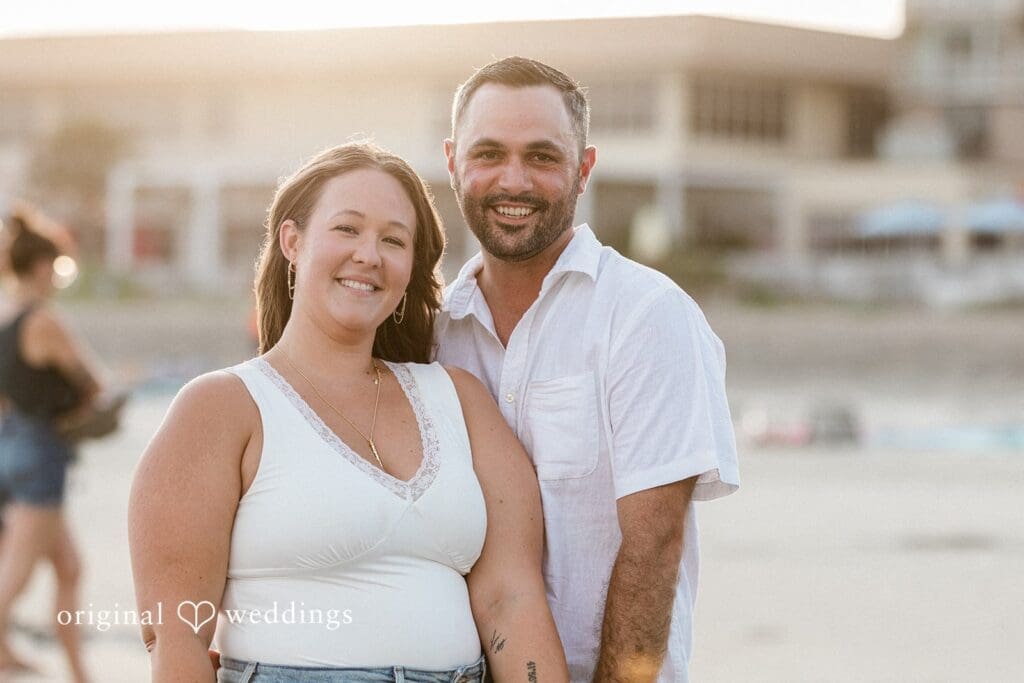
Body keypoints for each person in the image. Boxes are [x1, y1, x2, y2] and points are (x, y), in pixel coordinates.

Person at [128, 142, 568, 682]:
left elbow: (511, 601)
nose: (369, 255)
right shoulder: (221, 407)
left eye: (393, 240)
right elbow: (176, 634)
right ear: (293, 241)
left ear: (411, 268)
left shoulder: (461, 399)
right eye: (347, 229)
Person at [435, 57, 741, 682]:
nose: (512, 180)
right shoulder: (429, 332)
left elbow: (654, 548)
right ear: (452, 161)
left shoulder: (647, 316)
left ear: (584, 168)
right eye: (488, 153)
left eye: (542, 157)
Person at [0, 209, 100, 682]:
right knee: (13, 578)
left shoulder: (4, 317)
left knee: (69, 567)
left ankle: (78, 671)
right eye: (59, 268)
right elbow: (91, 383)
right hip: (41, 452)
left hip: (10, 445)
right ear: (43, 267)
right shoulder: (43, 320)